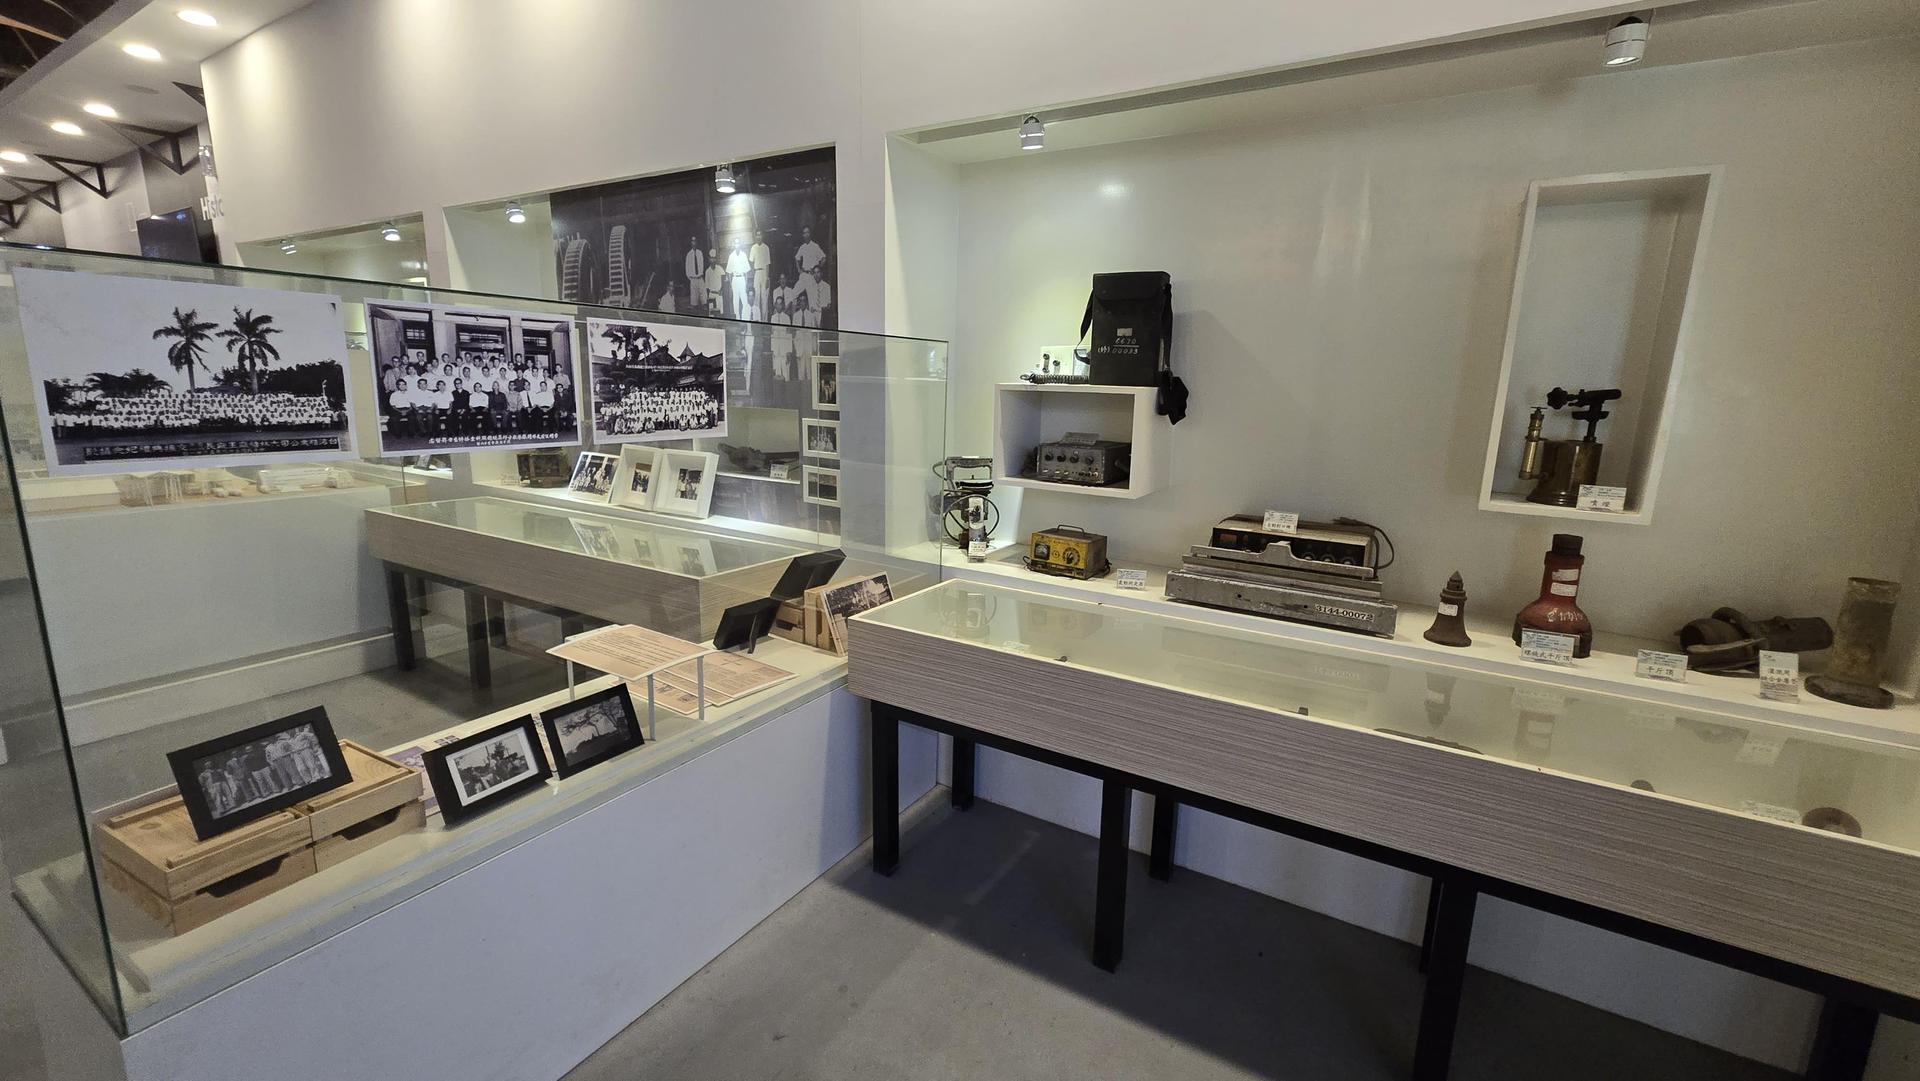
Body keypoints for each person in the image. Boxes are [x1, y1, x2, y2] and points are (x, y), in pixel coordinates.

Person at [726, 237, 753, 320]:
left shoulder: (743, 255)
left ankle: (746, 318)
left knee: (744, 300)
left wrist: (746, 283)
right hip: (735, 279)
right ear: (734, 245)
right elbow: (729, 272)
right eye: (735, 243)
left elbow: (746, 272)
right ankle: (737, 318)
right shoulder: (731, 256)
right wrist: (731, 285)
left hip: (742, 279)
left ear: (740, 244)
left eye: (738, 243)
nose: (737, 245)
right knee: (735, 300)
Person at [750, 230, 772, 320]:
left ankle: (764, 320)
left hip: (764, 273)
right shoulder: (753, 248)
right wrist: (753, 275)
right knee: (756, 297)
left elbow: (767, 264)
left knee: (764, 298)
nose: (758, 237)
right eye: (757, 235)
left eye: (760, 235)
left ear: (762, 236)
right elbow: (751, 262)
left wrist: (767, 278)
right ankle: (757, 319)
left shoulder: (766, 248)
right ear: (755, 236)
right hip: (757, 273)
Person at [684, 237, 706, 311]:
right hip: (693, 279)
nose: (694, 243)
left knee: (703, 298)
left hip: (700, 278)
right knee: (694, 301)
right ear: (691, 243)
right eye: (692, 242)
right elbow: (687, 268)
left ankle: (704, 309)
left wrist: (700, 275)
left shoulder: (700, 253)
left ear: (697, 243)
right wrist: (691, 278)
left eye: (695, 241)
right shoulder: (689, 255)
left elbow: (702, 264)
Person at [703, 248, 723, 316]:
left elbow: (724, 280)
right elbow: (707, 287)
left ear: (716, 259)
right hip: (711, 295)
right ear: (709, 259)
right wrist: (708, 299)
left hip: (719, 295)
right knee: (712, 314)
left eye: (714, 258)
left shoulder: (720, 269)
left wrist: (721, 290)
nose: (713, 260)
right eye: (711, 258)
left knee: (720, 314)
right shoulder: (707, 271)